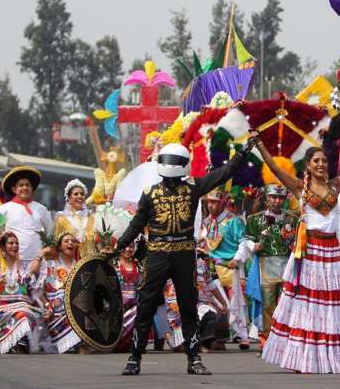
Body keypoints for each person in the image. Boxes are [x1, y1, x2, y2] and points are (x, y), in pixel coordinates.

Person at [115, 140, 258, 376]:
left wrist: (241, 154)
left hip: (181, 256)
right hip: (159, 256)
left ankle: (193, 359)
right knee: (146, 306)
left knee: (188, 308)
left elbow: (224, 173)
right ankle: (135, 357)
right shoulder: (152, 193)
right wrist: (118, 246)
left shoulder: (193, 187)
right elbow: (136, 225)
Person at [256, 129, 340, 373]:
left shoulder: (336, 185)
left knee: (334, 305)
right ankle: (304, 359)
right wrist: (260, 147)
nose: (321, 164)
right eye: (316, 161)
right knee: (309, 306)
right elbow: (276, 170)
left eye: (324, 161)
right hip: (309, 253)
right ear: (307, 165)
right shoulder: (300, 188)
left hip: (331, 253)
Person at [230, 184, 299, 351]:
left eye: (280, 198)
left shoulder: (293, 218)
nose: (277, 201)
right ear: (267, 199)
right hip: (265, 265)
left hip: (287, 265)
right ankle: (267, 339)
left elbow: (300, 241)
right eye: (273, 197)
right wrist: (253, 246)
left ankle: (286, 337)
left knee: (287, 303)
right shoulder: (255, 219)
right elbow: (245, 240)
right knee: (267, 303)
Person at [199, 188, 248, 349]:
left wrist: (237, 258)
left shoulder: (233, 220)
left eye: (214, 202)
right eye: (209, 202)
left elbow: (243, 241)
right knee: (216, 303)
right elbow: (203, 242)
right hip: (212, 268)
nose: (211, 205)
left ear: (222, 203)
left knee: (236, 302)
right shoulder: (206, 222)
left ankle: (242, 336)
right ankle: (218, 337)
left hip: (231, 267)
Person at [32, 232, 83, 354]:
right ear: (59, 247)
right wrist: (47, 306)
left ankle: (77, 341)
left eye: (72, 241)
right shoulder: (50, 265)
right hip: (56, 310)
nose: (70, 243)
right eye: (66, 241)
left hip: (77, 309)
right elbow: (37, 285)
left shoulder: (81, 265)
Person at [0, 166, 53, 270]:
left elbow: (50, 235)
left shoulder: (42, 209)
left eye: (27, 185)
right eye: (21, 185)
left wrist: (44, 254)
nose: (25, 188)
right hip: (12, 262)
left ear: (32, 189)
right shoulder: (3, 209)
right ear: (14, 189)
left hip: (37, 263)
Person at [53, 179, 95, 258]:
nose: (79, 196)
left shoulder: (91, 217)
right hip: (70, 262)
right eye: (76, 194)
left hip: (89, 261)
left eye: (82, 194)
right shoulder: (62, 219)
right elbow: (57, 243)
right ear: (69, 198)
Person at [115, 242, 141, 352]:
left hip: (134, 307)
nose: (128, 249)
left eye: (131, 246)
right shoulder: (113, 265)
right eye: (125, 246)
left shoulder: (139, 266)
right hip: (117, 308)